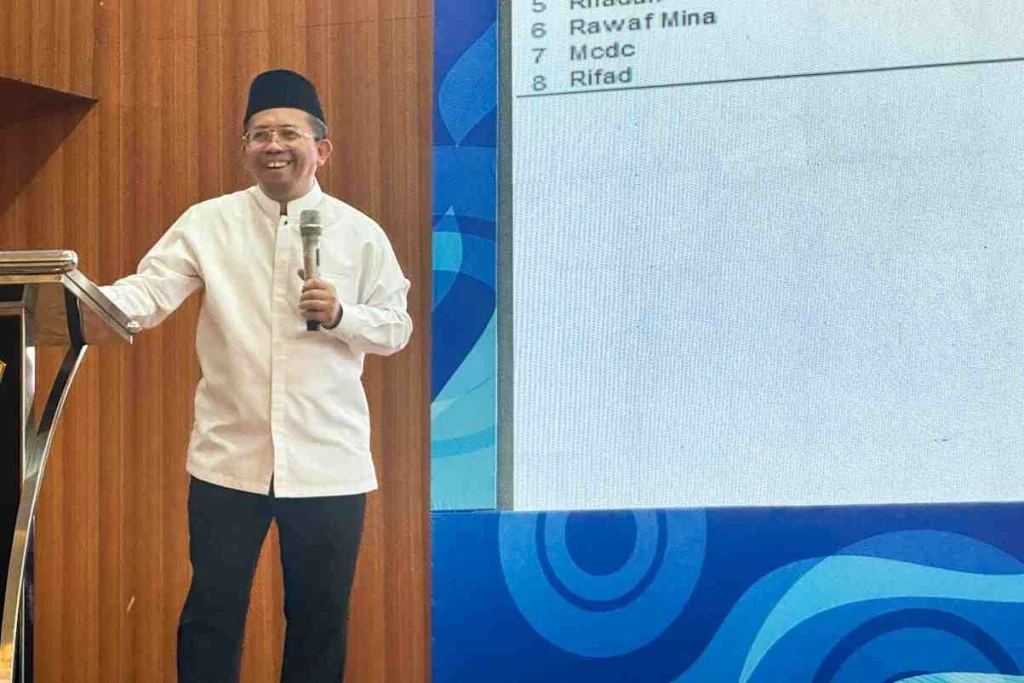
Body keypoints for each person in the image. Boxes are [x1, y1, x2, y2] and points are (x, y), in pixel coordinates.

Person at [100, 69, 413, 683]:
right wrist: (79, 301)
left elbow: (396, 327)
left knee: (319, 618)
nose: (273, 145)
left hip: (328, 460)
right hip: (228, 458)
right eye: (259, 134)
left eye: (288, 134)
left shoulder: (360, 234)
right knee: (211, 613)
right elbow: (148, 291)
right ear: (245, 148)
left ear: (321, 149)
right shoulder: (207, 222)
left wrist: (343, 315)